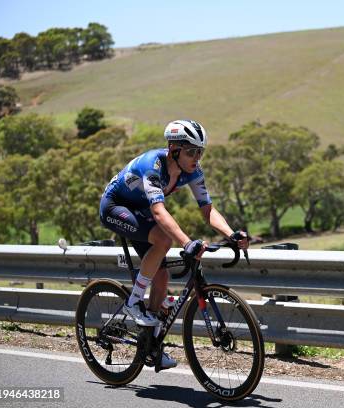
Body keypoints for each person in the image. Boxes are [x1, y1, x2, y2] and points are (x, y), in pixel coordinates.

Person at [99, 119, 249, 369]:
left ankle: (151, 347)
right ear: (174, 149)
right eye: (191, 151)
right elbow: (158, 212)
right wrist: (187, 242)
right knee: (163, 239)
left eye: (200, 152)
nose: (196, 157)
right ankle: (134, 301)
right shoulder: (153, 165)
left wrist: (231, 234)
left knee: (162, 279)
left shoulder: (193, 171)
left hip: (141, 211)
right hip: (116, 207)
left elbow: (207, 209)